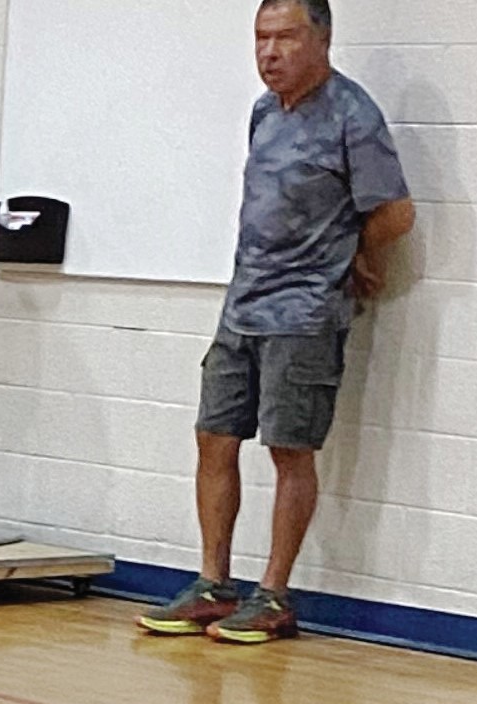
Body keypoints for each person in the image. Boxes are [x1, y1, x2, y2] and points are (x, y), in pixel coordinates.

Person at [143, 0, 412, 644]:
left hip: (305, 313)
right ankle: (213, 584)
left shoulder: (353, 115)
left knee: (290, 451)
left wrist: (358, 256)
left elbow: (394, 212)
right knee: (215, 437)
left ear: (321, 40)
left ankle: (274, 595)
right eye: (261, 38)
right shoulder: (263, 113)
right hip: (243, 305)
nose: (269, 52)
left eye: (285, 37)